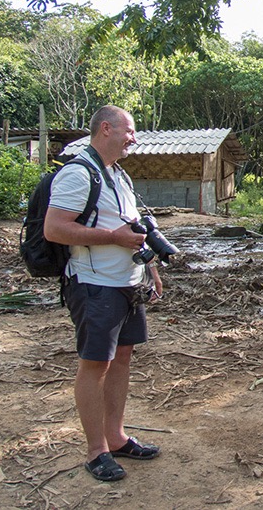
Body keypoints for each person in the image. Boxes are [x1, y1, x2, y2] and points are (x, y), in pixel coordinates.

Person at [44, 105, 164, 482]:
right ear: (106, 129)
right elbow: (54, 229)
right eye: (129, 131)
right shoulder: (78, 173)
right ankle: (96, 451)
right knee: (95, 364)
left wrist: (151, 269)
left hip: (128, 283)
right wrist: (112, 238)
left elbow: (133, 228)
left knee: (122, 358)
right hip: (95, 285)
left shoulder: (118, 174)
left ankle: (116, 437)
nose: (134, 138)